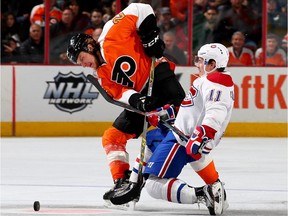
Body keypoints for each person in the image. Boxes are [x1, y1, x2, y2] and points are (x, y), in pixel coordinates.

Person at [66, 2, 186, 203]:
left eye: (81, 58)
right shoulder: (101, 76)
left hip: (160, 78)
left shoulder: (111, 33)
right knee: (112, 137)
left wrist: (150, 36)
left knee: (183, 135)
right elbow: (120, 93)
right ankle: (122, 182)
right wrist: (138, 101)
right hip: (144, 98)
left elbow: (141, 8)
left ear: (89, 46)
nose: (83, 65)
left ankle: (210, 182)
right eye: (79, 63)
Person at [112, 43, 233, 215]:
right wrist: (165, 113)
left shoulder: (216, 84)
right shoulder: (207, 80)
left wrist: (203, 134)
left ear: (212, 64)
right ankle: (133, 187)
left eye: (201, 60)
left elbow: (216, 113)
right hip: (181, 133)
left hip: (184, 140)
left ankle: (205, 193)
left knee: (154, 186)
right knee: (152, 140)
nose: (197, 63)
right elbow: (192, 108)